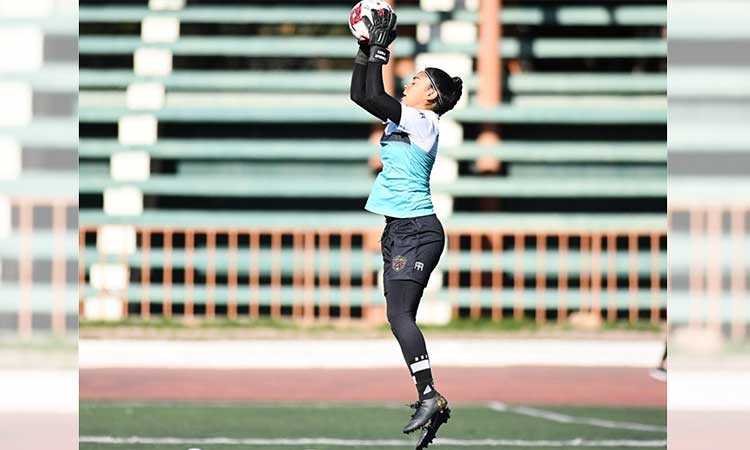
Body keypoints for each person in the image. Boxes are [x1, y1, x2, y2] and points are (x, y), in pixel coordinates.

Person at [349, 8, 463, 444]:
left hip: (417, 229)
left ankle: (429, 395)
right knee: (398, 315)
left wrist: (378, 50)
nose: (407, 84)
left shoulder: (422, 121)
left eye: (415, 81)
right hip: (402, 229)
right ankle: (429, 396)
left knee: (400, 315)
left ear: (431, 96)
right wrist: (365, 51)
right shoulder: (408, 117)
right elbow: (362, 95)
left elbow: (375, 96)